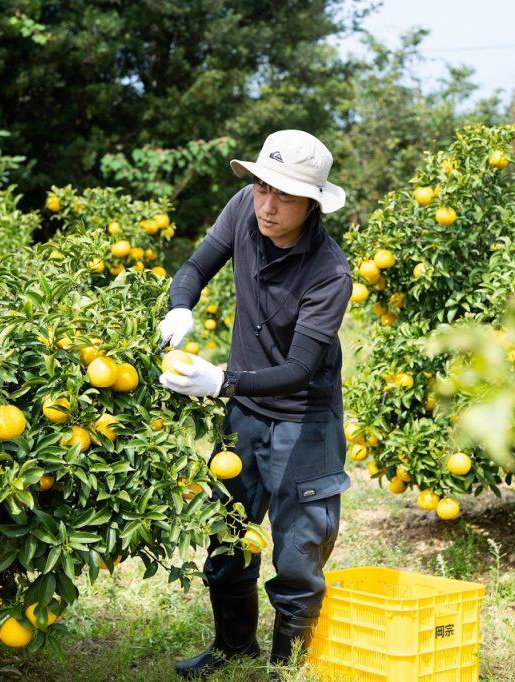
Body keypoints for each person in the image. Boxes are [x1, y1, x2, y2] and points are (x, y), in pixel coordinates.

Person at [157, 129, 353, 677]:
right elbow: (196, 267)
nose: (267, 204)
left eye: (284, 196)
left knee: (297, 558)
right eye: (264, 187)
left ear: (312, 205)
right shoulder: (244, 208)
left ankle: (284, 669)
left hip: (304, 422)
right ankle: (231, 649)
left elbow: (299, 371)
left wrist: (220, 381)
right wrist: (180, 306)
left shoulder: (329, 273)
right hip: (245, 411)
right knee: (227, 535)